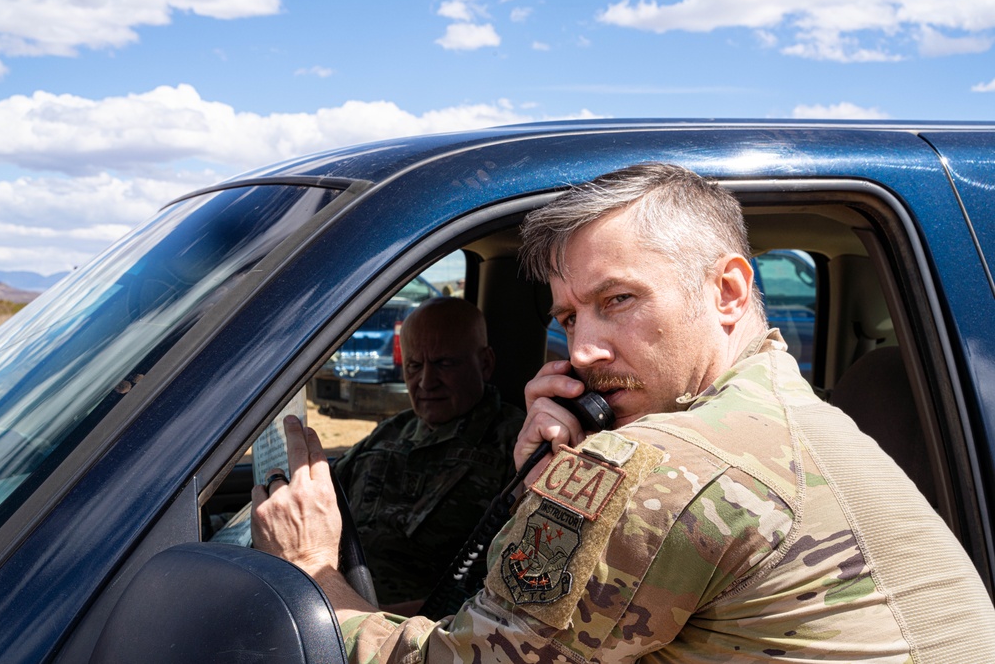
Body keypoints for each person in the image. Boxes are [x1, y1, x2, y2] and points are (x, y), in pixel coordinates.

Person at [252, 163, 995, 662]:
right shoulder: (785, 410)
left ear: (730, 292)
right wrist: (537, 488)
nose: (582, 350)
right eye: (570, 316)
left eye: (619, 301)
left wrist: (313, 570)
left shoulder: (664, 463)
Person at [330, 296, 524, 607]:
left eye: (444, 363)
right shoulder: (393, 430)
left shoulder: (517, 445)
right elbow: (323, 492)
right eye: (414, 366)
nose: (426, 382)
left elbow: (505, 588)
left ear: (485, 363)